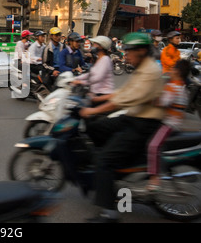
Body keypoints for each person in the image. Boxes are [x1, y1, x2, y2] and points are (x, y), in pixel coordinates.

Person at [79, 32, 165, 223]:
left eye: (128, 51)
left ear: (141, 51)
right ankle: (111, 167)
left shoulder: (150, 71)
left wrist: (93, 110)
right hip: (132, 117)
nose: (125, 55)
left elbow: (124, 100)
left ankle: (109, 214)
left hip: (142, 124)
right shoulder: (141, 68)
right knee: (95, 127)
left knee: (103, 161)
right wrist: (97, 99)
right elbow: (124, 91)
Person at [147, 59, 190, 192]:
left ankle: (154, 178)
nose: (169, 71)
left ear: (177, 72)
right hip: (173, 122)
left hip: (169, 124)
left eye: (172, 69)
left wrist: (150, 98)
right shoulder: (181, 86)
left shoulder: (173, 86)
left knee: (153, 146)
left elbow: (162, 102)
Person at [72, 36, 114, 106]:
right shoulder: (99, 59)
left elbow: (97, 78)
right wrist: (75, 79)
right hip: (95, 94)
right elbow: (90, 74)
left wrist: (81, 82)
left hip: (102, 96)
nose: (92, 46)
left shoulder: (105, 59)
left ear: (101, 46)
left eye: (95, 44)